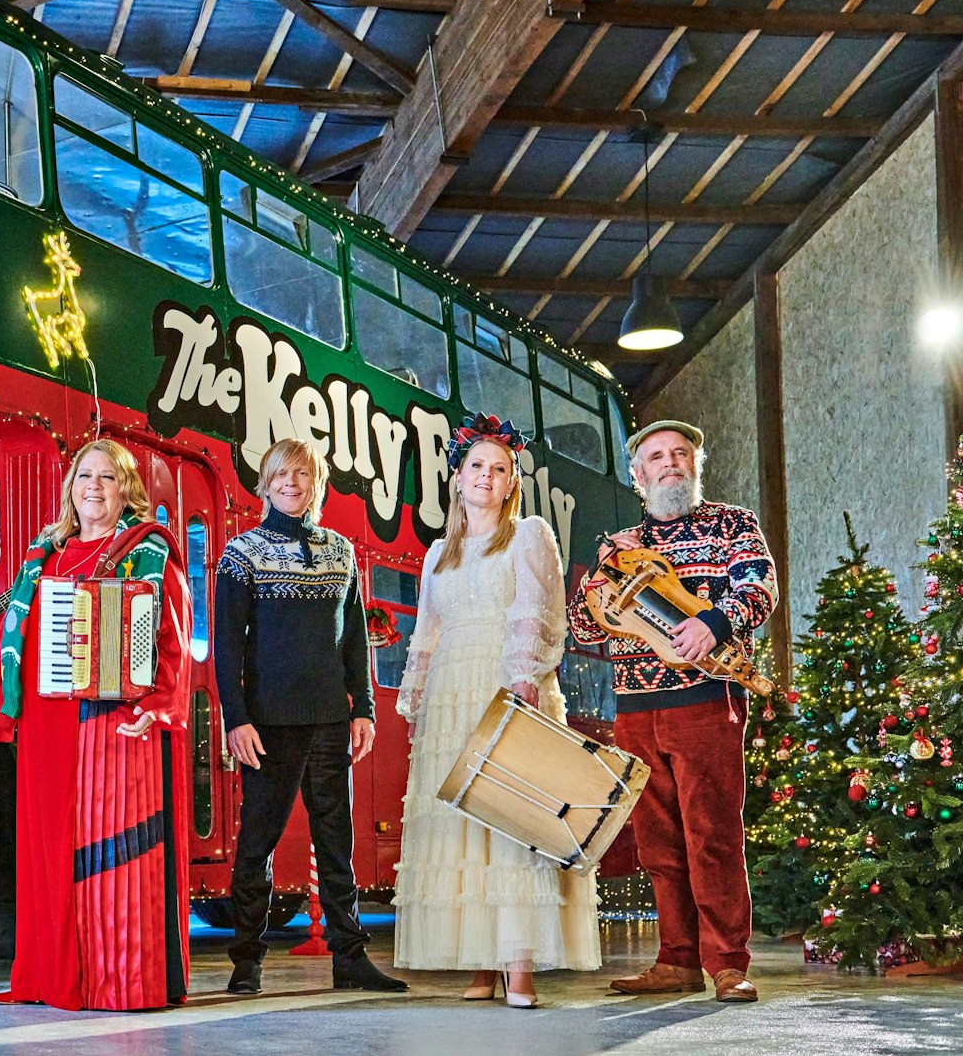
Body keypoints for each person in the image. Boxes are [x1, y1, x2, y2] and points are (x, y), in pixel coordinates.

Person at [0, 440, 194, 1011]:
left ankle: (119, 982)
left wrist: (156, 705)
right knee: (52, 853)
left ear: (127, 489)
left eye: (107, 477)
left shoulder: (149, 551)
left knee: (116, 857)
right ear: (70, 488)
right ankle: (56, 975)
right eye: (84, 476)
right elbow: (10, 646)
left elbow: (172, 642)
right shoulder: (42, 558)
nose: (93, 487)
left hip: (118, 725)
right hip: (49, 729)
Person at [393, 413, 600, 1007]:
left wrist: (523, 681)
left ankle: (519, 966)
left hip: (506, 684)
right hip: (451, 693)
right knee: (463, 822)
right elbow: (427, 630)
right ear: (458, 477)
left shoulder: (529, 534)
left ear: (512, 483)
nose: (487, 475)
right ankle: (481, 963)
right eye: (477, 465)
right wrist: (416, 695)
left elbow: (538, 610)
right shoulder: (438, 552)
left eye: (500, 468)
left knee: (512, 821)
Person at [570, 420, 775, 1004]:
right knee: (657, 843)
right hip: (635, 709)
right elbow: (584, 627)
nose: (670, 463)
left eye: (680, 454)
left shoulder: (732, 523)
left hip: (707, 700)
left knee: (713, 835)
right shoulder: (621, 546)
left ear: (695, 466)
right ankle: (677, 961)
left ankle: (727, 963)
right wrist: (599, 583)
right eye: (656, 457)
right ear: (638, 476)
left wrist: (713, 623)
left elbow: (758, 588)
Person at [215, 438, 406, 997]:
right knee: (257, 842)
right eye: (281, 475)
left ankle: (350, 958)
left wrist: (363, 709)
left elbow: (354, 643)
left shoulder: (341, 552)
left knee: (336, 842)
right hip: (266, 725)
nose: (291, 484)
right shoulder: (241, 553)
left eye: (302, 474)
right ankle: (246, 962)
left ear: (317, 483)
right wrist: (236, 719)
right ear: (265, 483)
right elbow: (227, 646)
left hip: (329, 721)